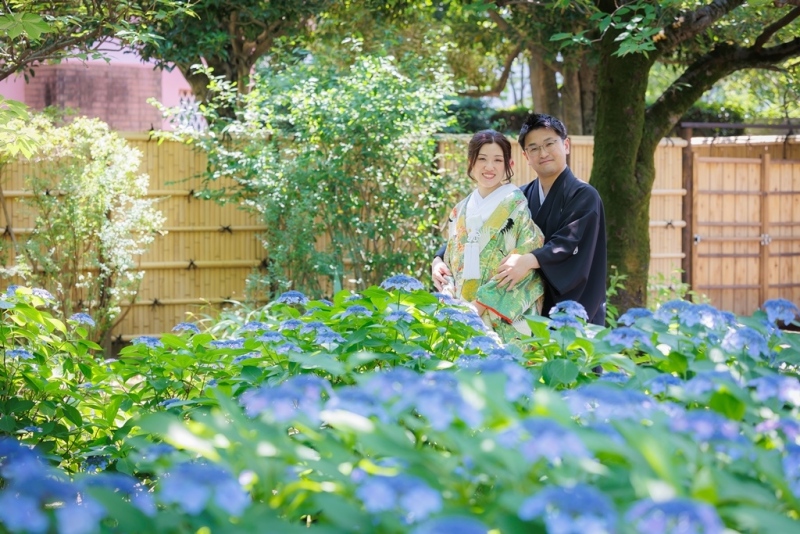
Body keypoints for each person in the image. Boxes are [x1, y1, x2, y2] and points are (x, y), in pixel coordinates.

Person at [433, 114, 607, 326]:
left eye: (549, 143)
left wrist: (528, 260)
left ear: (566, 145)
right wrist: (439, 258)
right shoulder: (521, 196)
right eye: (533, 148)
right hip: (527, 308)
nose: (542, 153)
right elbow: (477, 234)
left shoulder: (584, 195)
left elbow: (567, 244)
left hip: (574, 303)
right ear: (526, 156)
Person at [440, 129, 545, 344]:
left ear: (508, 165)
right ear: (471, 162)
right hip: (463, 310)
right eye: (482, 159)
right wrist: (448, 292)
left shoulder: (515, 205)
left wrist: (479, 306)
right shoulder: (460, 210)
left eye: (498, 160)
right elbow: (451, 259)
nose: (490, 167)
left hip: (498, 315)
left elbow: (525, 256)